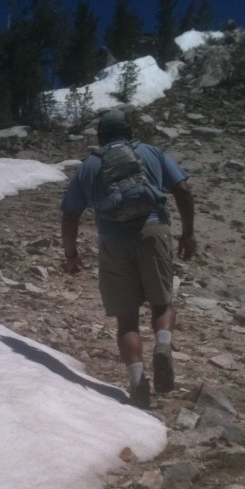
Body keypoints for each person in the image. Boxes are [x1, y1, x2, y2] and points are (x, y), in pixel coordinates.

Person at [60, 109, 196, 408]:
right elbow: (183, 190)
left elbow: (70, 214)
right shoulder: (152, 153)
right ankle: (162, 344)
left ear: (100, 136)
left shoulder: (90, 166)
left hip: (113, 242)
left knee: (127, 320)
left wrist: (71, 254)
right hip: (153, 232)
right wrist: (188, 233)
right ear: (129, 132)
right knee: (162, 303)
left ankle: (137, 382)